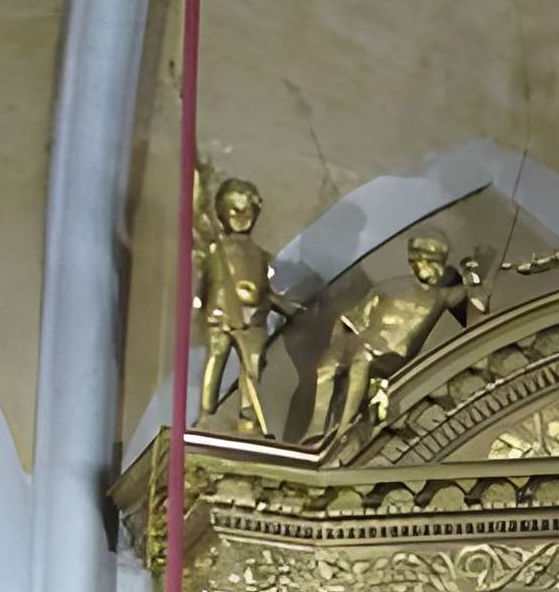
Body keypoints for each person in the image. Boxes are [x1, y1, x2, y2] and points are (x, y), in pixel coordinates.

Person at [306, 231, 481, 441]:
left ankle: (342, 433)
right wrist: (338, 344)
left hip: (391, 356)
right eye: (422, 260)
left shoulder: (443, 296)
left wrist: (473, 279)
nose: (429, 266)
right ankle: (315, 434)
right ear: (412, 261)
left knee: (362, 359)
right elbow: (351, 320)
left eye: (435, 261)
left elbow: (476, 319)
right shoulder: (388, 287)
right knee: (328, 364)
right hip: (362, 343)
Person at [194, 173, 301, 435]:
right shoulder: (215, 250)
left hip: (254, 319)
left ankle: (249, 418)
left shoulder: (261, 256)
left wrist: (292, 309)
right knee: (216, 360)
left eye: (247, 210)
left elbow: (269, 292)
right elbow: (201, 285)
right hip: (221, 315)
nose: (242, 216)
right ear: (223, 211)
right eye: (235, 210)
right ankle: (206, 414)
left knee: (253, 368)